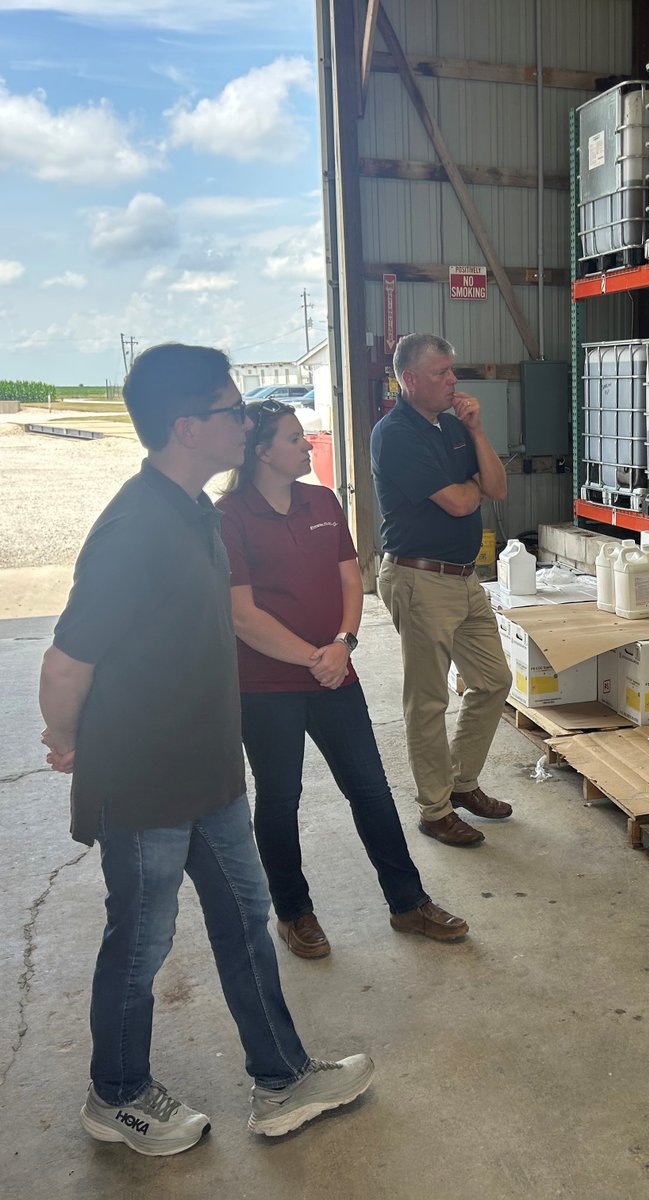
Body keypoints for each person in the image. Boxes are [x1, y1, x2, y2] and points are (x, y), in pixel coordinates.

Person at [38, 344, 374, 1157]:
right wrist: (66, 737)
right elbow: (65, 661)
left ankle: (282, 1078)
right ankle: (115, 1094)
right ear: (187, 427)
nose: (247, 422)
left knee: (246, 920)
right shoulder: (133, 526)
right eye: (233, 411)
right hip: (146, 780)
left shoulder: (197, 509)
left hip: (212, 773)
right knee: (143, 940)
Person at [217, 399, 469, 958]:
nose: (307, 446)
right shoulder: (229, 515)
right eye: (292, 439)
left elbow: (354, 582)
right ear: (261, 452)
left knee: (372, 791)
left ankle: (408, 902)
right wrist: (315, 656)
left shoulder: (323, 500)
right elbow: (242, 615)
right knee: (281, 800)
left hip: (336, 675)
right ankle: (294, 912)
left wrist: (343, 644)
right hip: (266, 687)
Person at [371, 333, 514, 848]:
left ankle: (461, 783)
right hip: (419, 577)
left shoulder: (453, 428)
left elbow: (495, 488)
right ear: (409, 379)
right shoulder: (395, 434)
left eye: (453, 371)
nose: (453, 380)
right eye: (441, 373)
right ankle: (435, 810)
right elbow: (457, 502)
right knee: (428, 699)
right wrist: (471, 490)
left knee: (494, 680)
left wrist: (476, 431)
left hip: (463, 577)